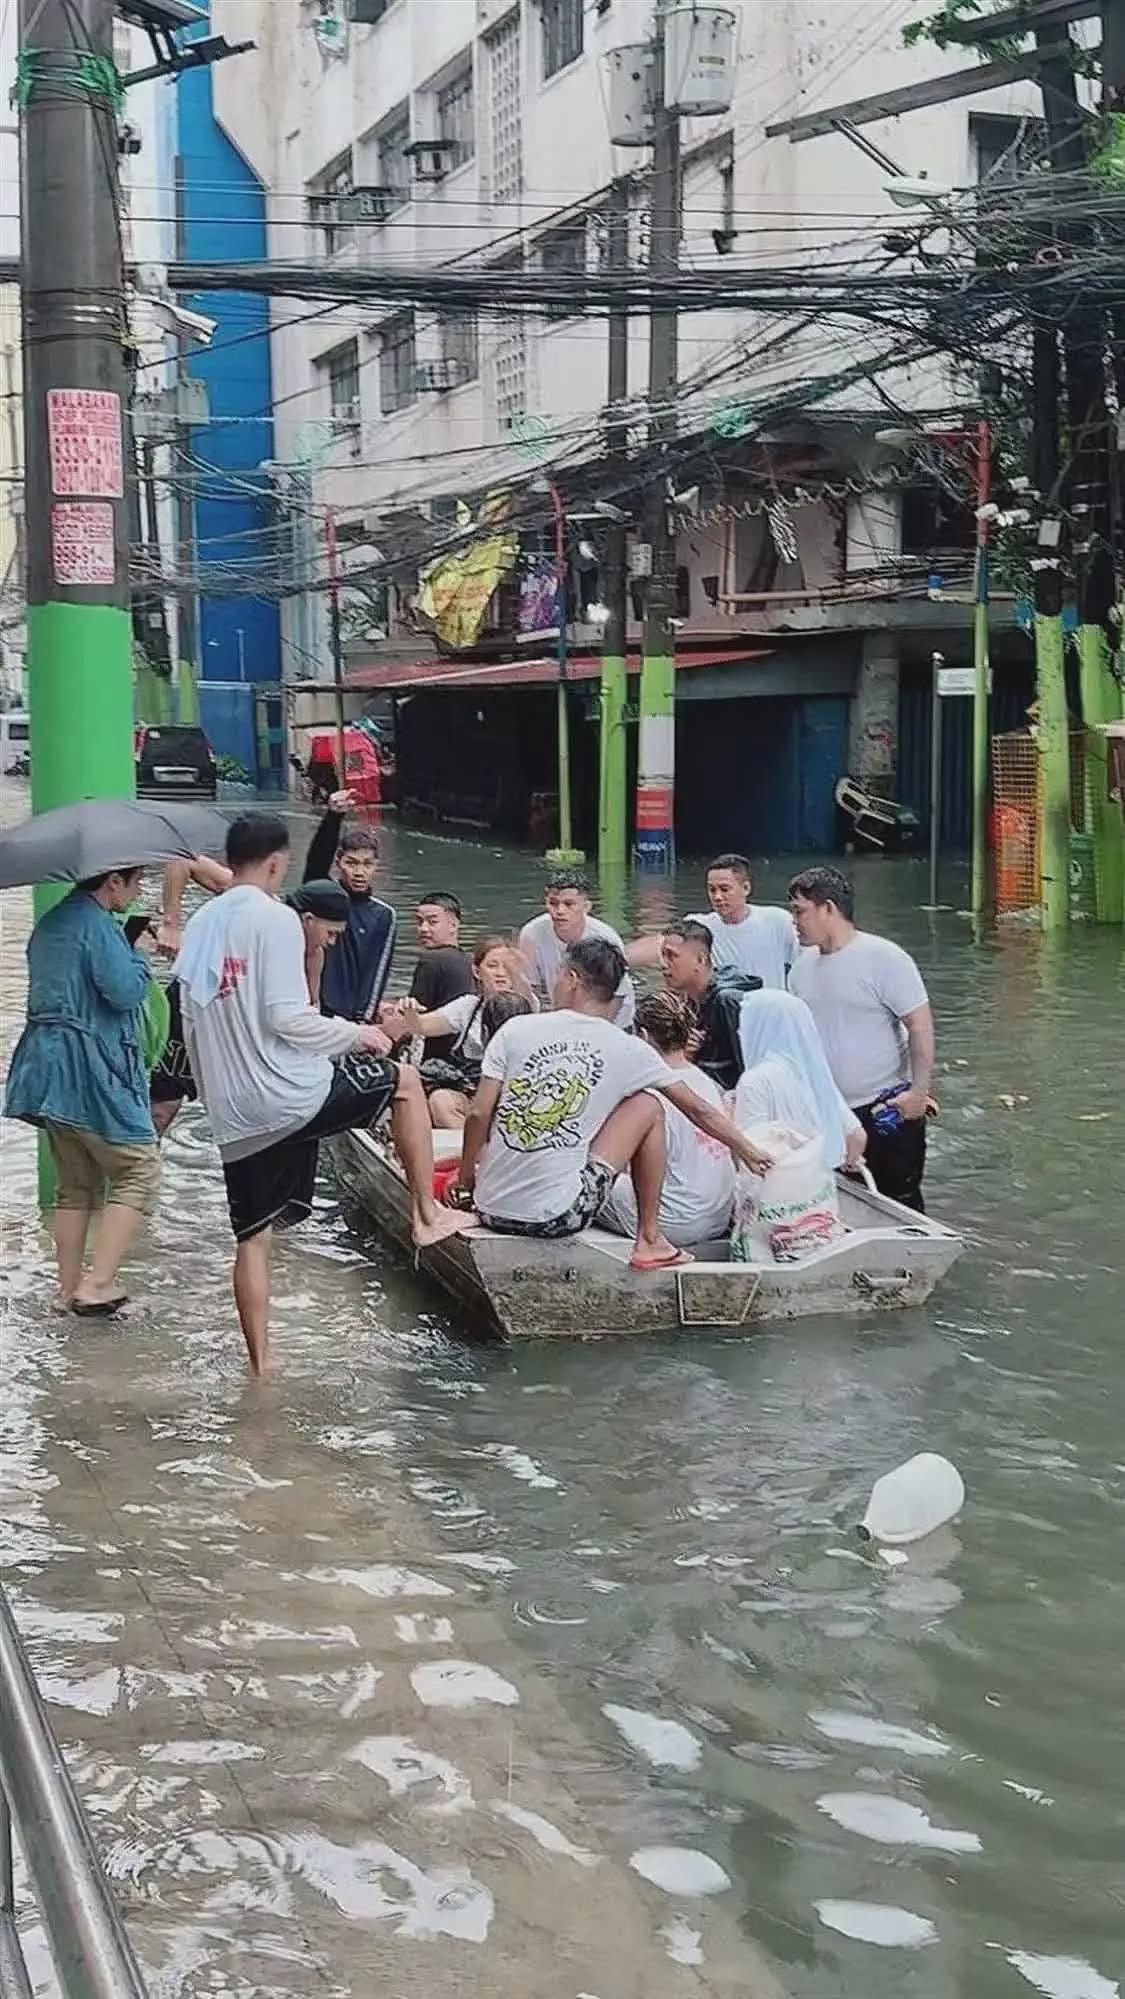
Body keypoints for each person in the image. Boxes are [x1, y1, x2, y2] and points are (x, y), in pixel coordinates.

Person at [175, 813, 471, 1375]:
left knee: (252, 1239)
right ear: (276, 863)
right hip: (288, 1095)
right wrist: (360, 1034)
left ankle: (261, 1367)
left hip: (235, 1115)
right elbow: (289, 1019)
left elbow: (191, 1015)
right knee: (405, 1082)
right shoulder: (278, 918)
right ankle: (426, 1214)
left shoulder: (204, 922)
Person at [455, 937, 770, 1270]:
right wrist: (748, 1150)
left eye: (560, 974)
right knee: (647, 1104)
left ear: (573, 979)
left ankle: (647, 1236)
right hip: (557, 1216)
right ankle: (649, 1239)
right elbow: (698, 1109)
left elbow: (478, 1113)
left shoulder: (515, 1029)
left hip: (489, 1208)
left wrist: (466, 1181)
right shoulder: (628, 1049)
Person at [4, 868, 160, 1315]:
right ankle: (99, 1282)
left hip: (45, 1065)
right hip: (88, 1066)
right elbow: (125, 992)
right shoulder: (96, 926)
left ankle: (67, 1289)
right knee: (139, 1168)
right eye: (135, 883)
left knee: (74, 1186)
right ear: (113, 882)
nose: (137, 891)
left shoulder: (51, 922)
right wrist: (139, 955)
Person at [788, 865, 934, 1210]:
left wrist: (919, 1092)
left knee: (901, 1203)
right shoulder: (800, 969)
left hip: (886, 1106)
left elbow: (920, 1024)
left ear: (828, 909)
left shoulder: (883, 958)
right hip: (830, 1111)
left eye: (799, 911)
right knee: (840, 1204)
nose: (794, 921)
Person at [599, 991, 737, 1248]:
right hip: (718, 1217)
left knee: (585, 1182)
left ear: (642, 1037)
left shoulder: (649, 1092)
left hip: (678, 1221)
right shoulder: (706, 1083)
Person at [390, 936, 537, 1127]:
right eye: (492, 966)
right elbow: (420, 1026)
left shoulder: (528, 1005)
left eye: (507, 967)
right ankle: (469, 1149)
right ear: (477, 971)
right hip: (474, 1091)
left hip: (513, 1094)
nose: (501, 974)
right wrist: (409, 1009)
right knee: (440, 1101)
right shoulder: (468, 1006)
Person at [736, 988, 866, 1172]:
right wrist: (849, 1161)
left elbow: (750, 1153)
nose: (739, 1031)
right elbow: (857, 1136)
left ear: (758, 1027)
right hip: (820, 1186)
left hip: (782, 1190)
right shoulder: (814, 1073)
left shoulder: (755, 1081)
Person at [627, 853, 798, 991]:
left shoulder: (777, 921)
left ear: (746, 888)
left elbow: (809, 955)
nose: (717, 897)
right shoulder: (699, 927)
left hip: (768, 1015)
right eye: (711, 889)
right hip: (723, 1016)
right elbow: (658, 945)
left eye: (724, 889)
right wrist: (615, 959)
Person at [302, 792, 397, 1020]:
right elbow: (315, 866)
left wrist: (364, 1018)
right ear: (339, 863)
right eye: (351, 863)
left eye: (367, 864)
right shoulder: (324, 898)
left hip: (352, 1018)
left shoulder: (384, 915)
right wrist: (334, 817)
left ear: (376, 867)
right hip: (314, 1009)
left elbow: (377, 972)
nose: (359, 872)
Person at [519, 869, 635, 1027]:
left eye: (569, 904)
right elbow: (531, 990)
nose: (560, 911)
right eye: (553, 903)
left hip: (612, 1018)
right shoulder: (531, 935)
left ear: (586, 907)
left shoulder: (606, 938)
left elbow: (618, 993)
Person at [659, 918, 760, 1093]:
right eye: (663, 955)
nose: (663, 964)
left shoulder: (726, 1002)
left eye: (672, 956)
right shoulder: (687, 1000)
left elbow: (747, 1066)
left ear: (700, 960)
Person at [404, 892, 474, 1054]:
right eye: (419, 921)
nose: (423, 929)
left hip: (436, 1052)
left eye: (432, 922)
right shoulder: (470, 961)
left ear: (454, 925)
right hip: (464, 1050)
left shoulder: (431, 960)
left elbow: (412, 1017)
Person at [286, 879, 350, 1006]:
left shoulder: (316, 954)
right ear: (308, 920)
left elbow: (313, 1004)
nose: (332, 942)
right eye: (330, 933)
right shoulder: (272, 945)